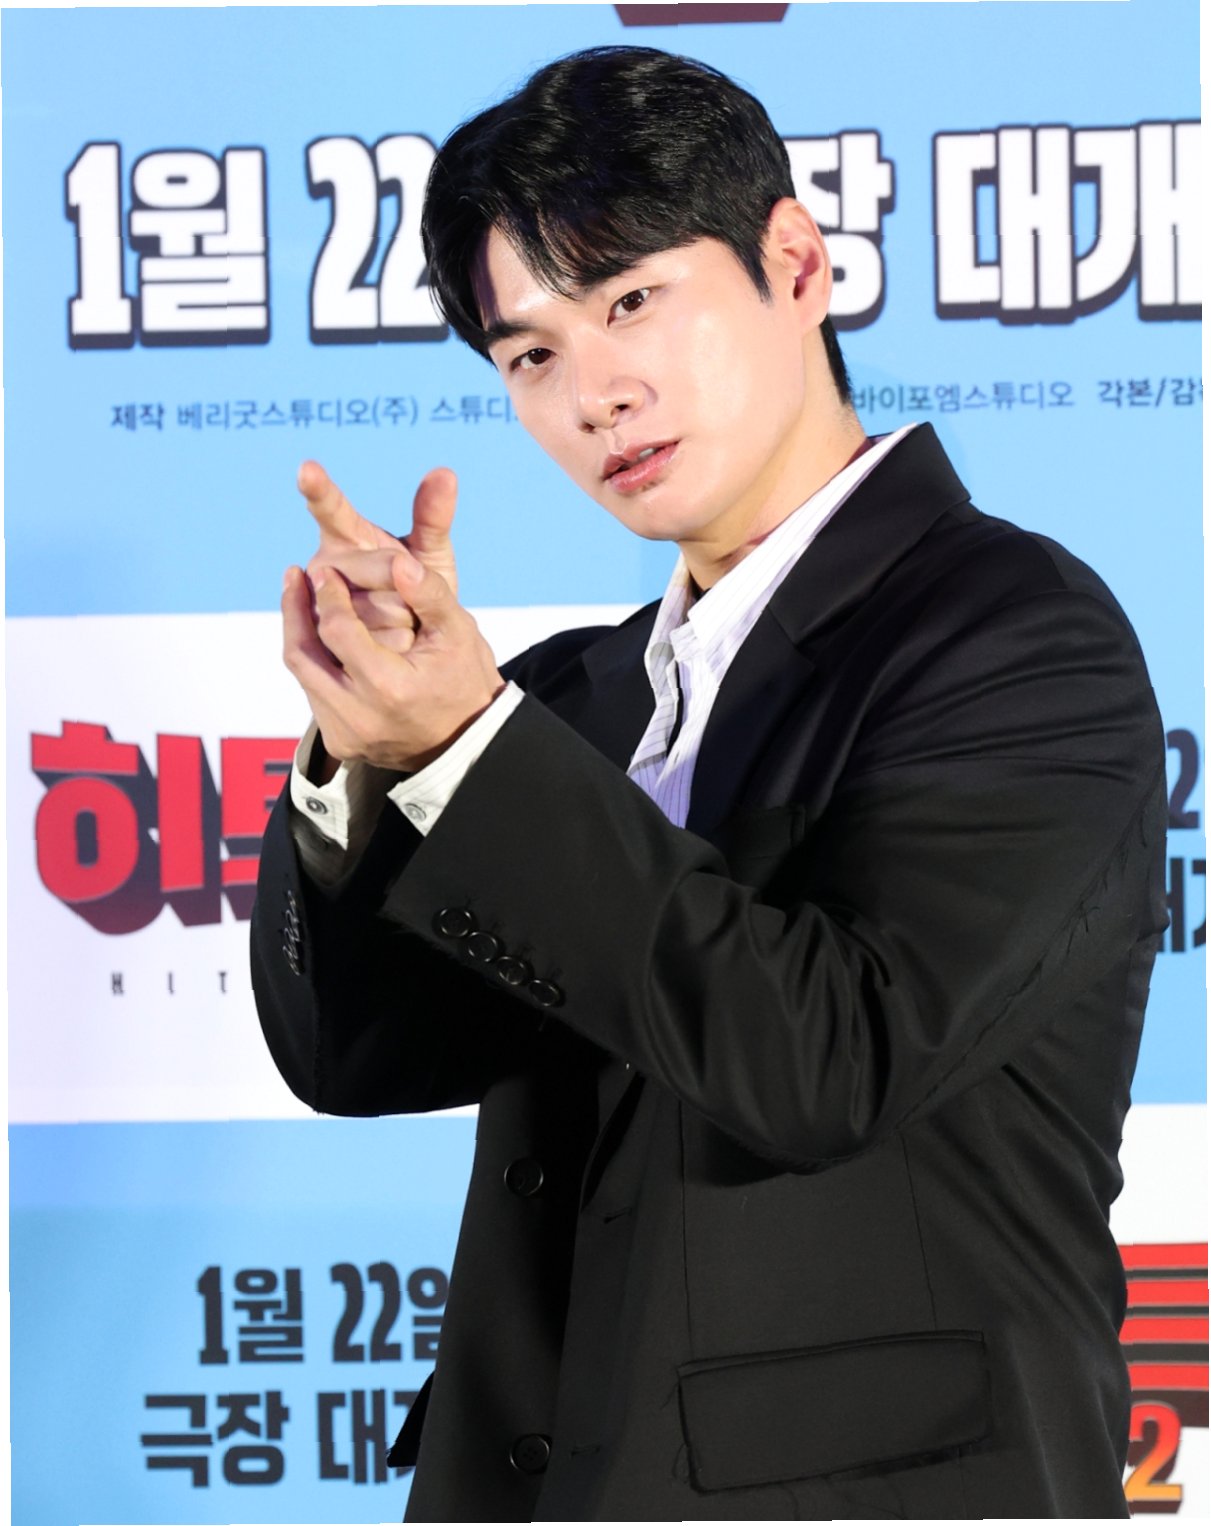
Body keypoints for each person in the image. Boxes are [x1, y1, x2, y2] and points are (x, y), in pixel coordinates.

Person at [252, 45, 1167, 1521]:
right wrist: (367, 755)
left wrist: (468, 747)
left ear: (794, 265)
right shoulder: (568, 697)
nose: (594, 393)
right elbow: (357, 1057)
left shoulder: (1016, 634)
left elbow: (828, 1060)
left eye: (631, 302)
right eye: (531, 356)